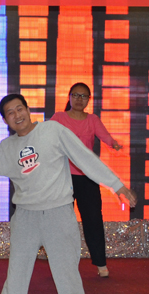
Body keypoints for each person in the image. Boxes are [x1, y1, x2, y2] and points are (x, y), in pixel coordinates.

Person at [0, 94, 136, 294]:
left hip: (59, 215)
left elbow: (84, 158)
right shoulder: (7, 148)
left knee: (69, 279)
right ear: (5, 120)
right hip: (25, 218)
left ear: (28, 109)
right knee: (15, 281)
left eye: (20, 109)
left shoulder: (53, 130)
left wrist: (117, 185)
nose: (17, 115)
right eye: (10, 113)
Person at [50, 82, 122, 278]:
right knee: (61, 222)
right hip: (63, 177)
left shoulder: (92, 119)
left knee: (93, 220)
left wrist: (115, 144)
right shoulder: (59, 118)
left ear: (89, 100)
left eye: (84, 96)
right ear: (69, 97)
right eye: (76, 95)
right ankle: (60, 263)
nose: (79, 99)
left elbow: (106, 137)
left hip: (88, 177)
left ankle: (101, 263)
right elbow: (46, 136)